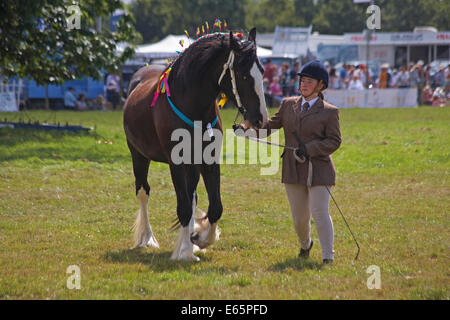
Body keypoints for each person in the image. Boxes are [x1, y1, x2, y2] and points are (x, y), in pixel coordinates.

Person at [235, 60, 341, 264]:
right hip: (292, 168)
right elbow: (269, 127)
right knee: (299, 219)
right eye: (302, 80)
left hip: (319, 169)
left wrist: (309, 149)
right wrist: (247, 131)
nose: (303, 84)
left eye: (309, 81)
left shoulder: (330, 112)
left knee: (319, 212)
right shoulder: (287, 104)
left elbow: (334, 141)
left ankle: (328, 256)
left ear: (320, 86)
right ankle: (305, 244)